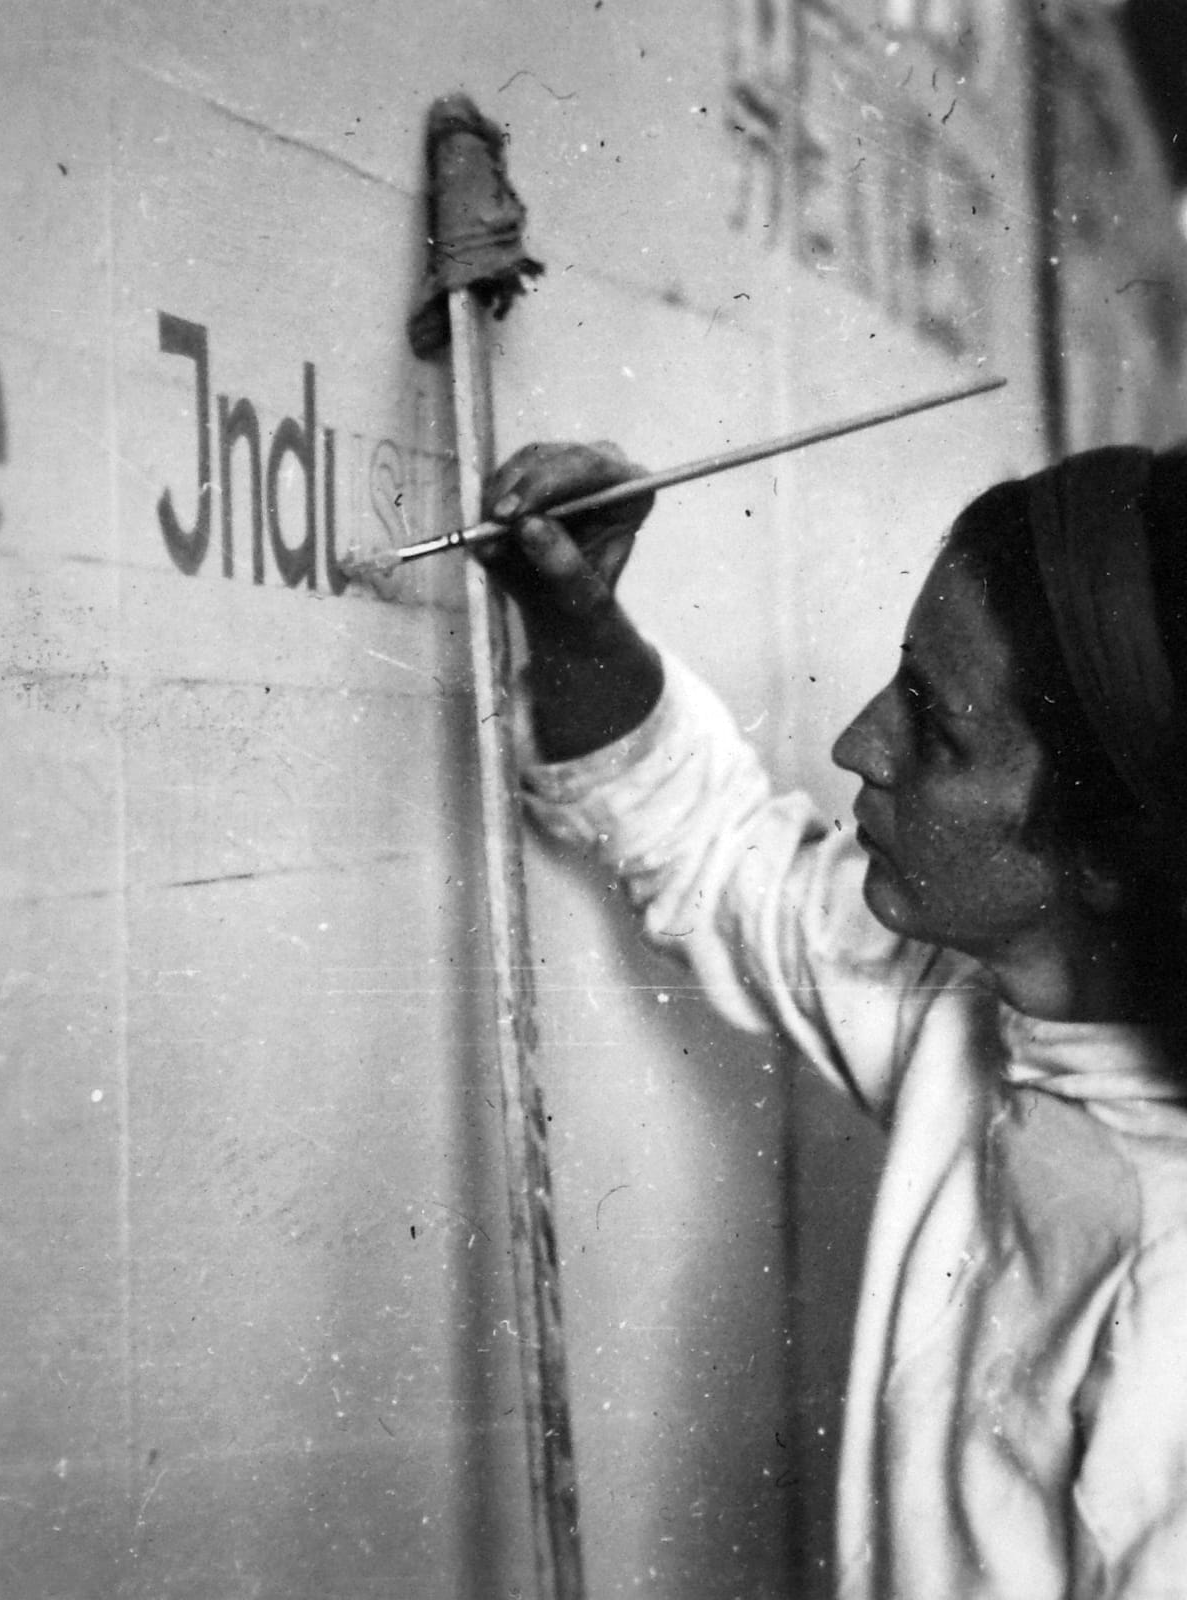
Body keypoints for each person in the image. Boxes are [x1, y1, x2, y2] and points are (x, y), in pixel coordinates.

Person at [477, 439, 1187, 1599]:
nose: (858, 744)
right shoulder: (978, 1008)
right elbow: (713, 845)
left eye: (935, 726)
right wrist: (574, 612)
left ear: (1110, 852)